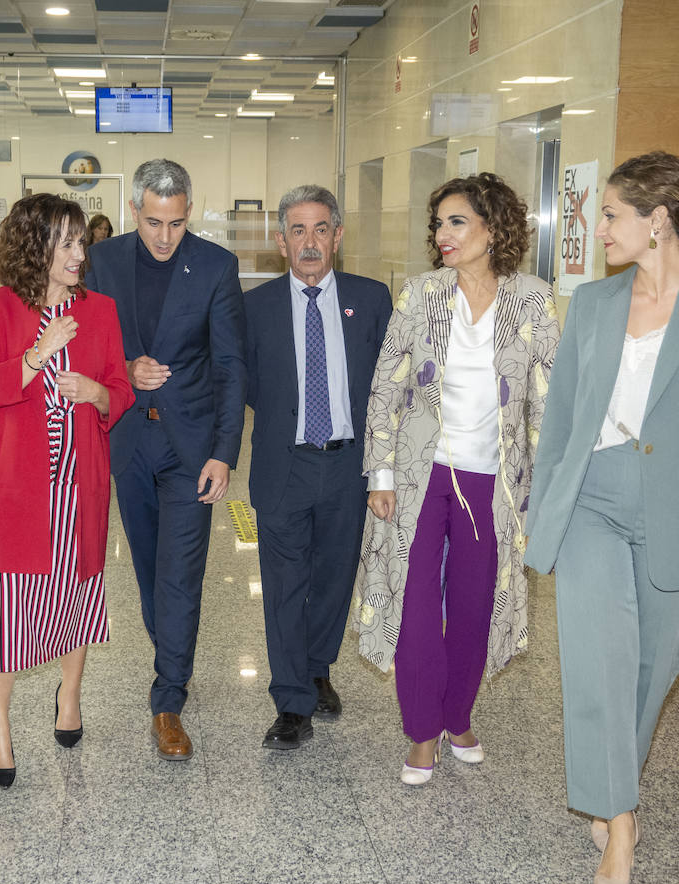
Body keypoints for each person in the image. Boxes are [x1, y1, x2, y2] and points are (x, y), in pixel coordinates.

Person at [524, 152, 679, 884]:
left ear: (656, 223)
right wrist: (545, 516)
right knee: (597, 661)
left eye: (611, 216)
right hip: (593, 499)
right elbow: (561, 419)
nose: (598, 230)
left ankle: (609, 786)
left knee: (647, 672)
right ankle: (621, 826)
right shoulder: (593, 305)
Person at [353, 173, 559, 784]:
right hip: (422, 476)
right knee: (417, 606)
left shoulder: (533, 300)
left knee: (474, 604)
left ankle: (458, 714)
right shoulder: (419, 296)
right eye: (439, 223)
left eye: (457, 221)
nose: (442, 234)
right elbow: (386, 388)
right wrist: (381, 472)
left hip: (492, 482)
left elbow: (549, 401)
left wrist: (544, 490)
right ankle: (422, 730)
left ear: (493, 228)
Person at [0, 194, 133, 788]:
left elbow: (120, 389)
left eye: (80, 242)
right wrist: (37, 355)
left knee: (82, 598)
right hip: (18, 489)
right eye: (66, 243)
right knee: (11, 608)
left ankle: (69, 695)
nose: (79, 255)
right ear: (34, 247)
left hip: (80, 485)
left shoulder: (102, 312)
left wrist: (98, 393)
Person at [84, 159, 246, 761]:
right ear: (134, 210)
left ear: (189, 212)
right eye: (153, 221)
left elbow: (230, 366)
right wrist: (124, 369)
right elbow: (87, 348)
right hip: (128, 442)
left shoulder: (215, 265)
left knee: (180, 573)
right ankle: (170, 653)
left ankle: (168, 697)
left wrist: (224, 454)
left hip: (189, 449)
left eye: (176, 223)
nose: (163, 236)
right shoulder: (103, 264)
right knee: (152, 573)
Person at [244, 185, 390, 750]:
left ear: (338, 236)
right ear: (281, 241)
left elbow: (389, 388)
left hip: (348, 466)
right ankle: (292, 701)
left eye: (321, 229)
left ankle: (318, 666)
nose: (310, 242)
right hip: (285, 465)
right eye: (298, 231)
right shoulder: (253, 307)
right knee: (284, 584)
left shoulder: (371, 299)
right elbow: (245, 383)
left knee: (334, 578)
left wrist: (385, 470)